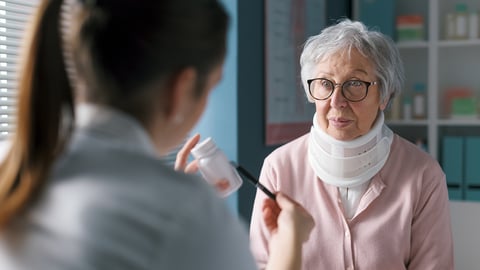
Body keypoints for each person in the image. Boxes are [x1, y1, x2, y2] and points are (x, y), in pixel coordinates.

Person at [0, 0, 314, 269]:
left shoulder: (11, 164)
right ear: (182, 88)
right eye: (211, 88)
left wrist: (167, 186)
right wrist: (291, 239)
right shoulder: (187, 216)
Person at [249, 19, 454, 270]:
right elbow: (260, 263)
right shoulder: (279, 169)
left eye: (355, 84)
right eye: (325, 83)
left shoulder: (423, 175)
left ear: (385, 95)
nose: (337, 101)